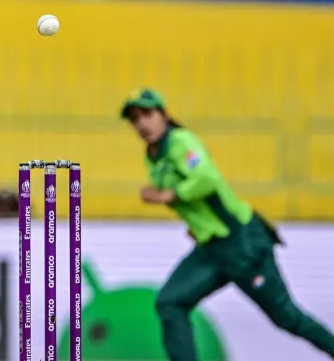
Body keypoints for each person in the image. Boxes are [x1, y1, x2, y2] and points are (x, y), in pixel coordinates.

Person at [120, 88, 334, 361]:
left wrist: (167, 195)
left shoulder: (180, 141)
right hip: (213, 248)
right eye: (135, 119)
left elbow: (206, 179)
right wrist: (196, 225)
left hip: (242, 242)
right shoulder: (154, 156)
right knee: (170, 302)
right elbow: (197, 201)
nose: (142, 124)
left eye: (147, 114)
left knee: (287, 317)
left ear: (164, 114)